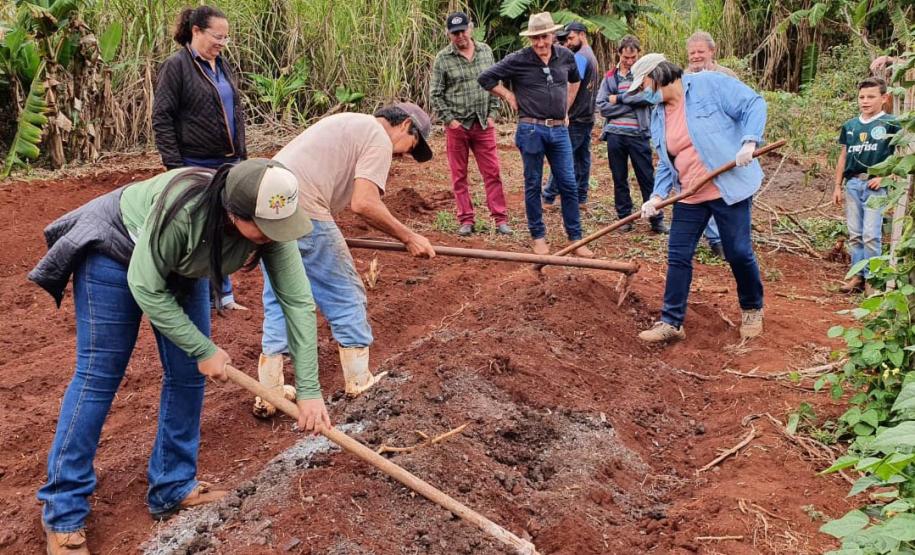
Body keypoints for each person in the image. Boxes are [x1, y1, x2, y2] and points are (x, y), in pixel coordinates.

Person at [28, 160, 325, 555]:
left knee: (187, 376)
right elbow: (145, 286)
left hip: (182, 265)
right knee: (99, 376)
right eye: (267, 228)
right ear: (234, 214)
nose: (276, 235)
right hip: (115, 252)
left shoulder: (272, 226)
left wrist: (310, 390)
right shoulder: (186, 213)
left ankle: (173, 486)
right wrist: (203, 348)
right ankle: (63, 510)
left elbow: (298, 303)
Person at [254, 103, 438, 417]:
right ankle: (359, 381)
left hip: (268, 209)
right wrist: (409, 237)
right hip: (303, 209)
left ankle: (269, 391)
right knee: (344, 292)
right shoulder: (378, 137)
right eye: (412, 146)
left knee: (281, 297)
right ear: (406, 125)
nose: (405, 155)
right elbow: (364, 203)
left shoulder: (351, 123)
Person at [632, 55, 767, 343]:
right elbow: (666, 162)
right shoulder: (658, 115)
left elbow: (753, 104)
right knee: (678, 254)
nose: (642, 93)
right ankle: (672, 322)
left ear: (657, 76)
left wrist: (749, 141)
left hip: (727, 187)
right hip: (689, 193)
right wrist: (656, 196)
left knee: (738, 252)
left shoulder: (709, 84)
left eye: (642, 85)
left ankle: (752, 308)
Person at [152, 5, 248, 311]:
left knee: (227, 226)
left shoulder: (222, 65)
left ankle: (224, 295)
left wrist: (242, 155)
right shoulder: (176, 66)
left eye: (226, 38)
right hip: (195, 162)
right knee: (201, 230)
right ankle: (199, 297)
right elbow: (162, 118)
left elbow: (235, 112)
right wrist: (175, 167)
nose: (222, 43)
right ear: (196, 31)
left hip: (229, 162)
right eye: (217, 37)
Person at [478, 12, 592, 257]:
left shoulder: (565, 56)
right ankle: (538, 237)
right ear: (529, 39)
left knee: (568, 184)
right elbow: (485, 78)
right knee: (533, 183)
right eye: (535, 38)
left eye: (544, 37)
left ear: (552, 35)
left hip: (559, 130)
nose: (540, 43)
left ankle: (576, 239)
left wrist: (566, 108)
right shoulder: (518, 59)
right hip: (531, 129)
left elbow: (575, 80)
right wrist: (508, 95)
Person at [430, 12, 511, 238]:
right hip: (458, 127)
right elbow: (435, 94)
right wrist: (451, 121)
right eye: (455, 33)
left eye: (463, 31)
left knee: (492, 172)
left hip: (483, 124)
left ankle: (500, 219)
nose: (460, 36)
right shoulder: (443, 58)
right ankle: (466, 219)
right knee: (459, 175)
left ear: (471, 28)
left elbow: (495, 84)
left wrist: (493, 113)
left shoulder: (485, 51)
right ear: (448, 35)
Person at [594, 35, 667, 234]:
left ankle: (656, 219)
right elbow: (602, 105)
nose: (629, 61)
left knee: (646, 177)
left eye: (633, 57)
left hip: (638, 134)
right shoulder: (611, 76)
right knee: (619, 178)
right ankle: (624, 218)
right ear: (619, 54)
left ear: (639, 54)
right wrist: (631, 104)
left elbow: (649, 97)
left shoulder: (646, 75)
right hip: (615, 134)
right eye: (626, 57)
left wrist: (618, 99)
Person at [832, 77, 899, 293]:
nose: (865, 101)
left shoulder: (892, 123)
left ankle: (873, 279)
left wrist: (886, 177)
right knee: (855, 234)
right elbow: (843, 156)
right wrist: (837, 185)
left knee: (871, 234)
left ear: (884, 98)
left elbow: (900, 154)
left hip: (875, 186)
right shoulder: (850, 126)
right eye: (862, 97)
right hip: (853, 184)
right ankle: (857, 276)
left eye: (871, 97)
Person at [685, 30, 739, 257]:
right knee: (701, 189)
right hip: (695, 147)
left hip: (725, 145)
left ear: (712, 52)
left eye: (700, 51)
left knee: (725, 190)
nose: (696, 56)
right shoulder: (684, 78)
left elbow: (742, 108)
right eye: (692, 53)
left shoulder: (727, 76)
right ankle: (715, 239)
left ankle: (730, 236)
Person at [542, 22, 601, 211]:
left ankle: (548, 197)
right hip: (587, 115)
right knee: (582, 158)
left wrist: (563, 112)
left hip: (576, 117)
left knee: (563, 157)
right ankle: (581, 197)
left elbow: (573, 87)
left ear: (582, 35)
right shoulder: (590, 55)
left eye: (571, 38)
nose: (568, 42)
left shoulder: (580, 58)